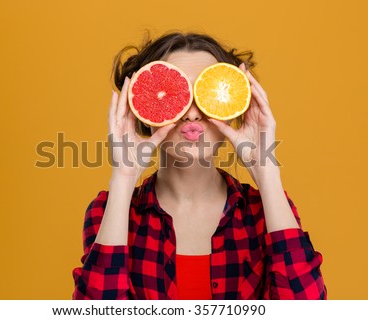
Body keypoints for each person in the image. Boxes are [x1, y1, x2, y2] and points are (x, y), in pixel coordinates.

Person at [72, 31, 327, 300]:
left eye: (206, 94)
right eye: (175, 93)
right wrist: (124, 178)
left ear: (234, 108)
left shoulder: (266, 212)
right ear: (144, 110)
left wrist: (267, 172)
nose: (192, 112)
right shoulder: (109, 212)